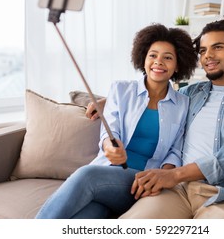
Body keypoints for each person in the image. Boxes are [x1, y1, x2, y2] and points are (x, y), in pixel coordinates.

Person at [116, 18, 224, 219]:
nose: (208, 56)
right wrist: (104, 102)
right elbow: (153, 97)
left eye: (217, 47)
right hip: (176, 191)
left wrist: (174, 174)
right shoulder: (190, 93)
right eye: (203, 50)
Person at [35, 23, 198, 218]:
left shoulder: (183, 104)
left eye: (168, 57)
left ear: (178, 65)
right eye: (153, 55)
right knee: (85, 218)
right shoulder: (120, 90)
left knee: (86, 175)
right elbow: (109, 131)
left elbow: (176, 151)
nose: (159, 62)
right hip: (108, 177)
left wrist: (163, 176)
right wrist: (110, 147)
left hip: (143, 181)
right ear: (143, 58)